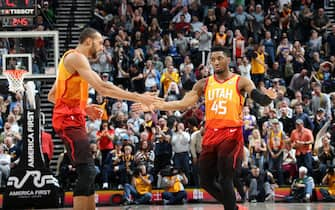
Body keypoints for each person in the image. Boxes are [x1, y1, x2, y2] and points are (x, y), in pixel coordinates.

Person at [133, 45, 276, 210]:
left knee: (225, 177)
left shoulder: (240, 81)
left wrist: (267, 99)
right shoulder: (204, 83)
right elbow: (182, 103)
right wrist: (157, 105)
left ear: (228, 60)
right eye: (212, 59)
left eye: (219, 58)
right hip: (210, 134)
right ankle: (234, 207)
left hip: (231, 133)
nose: (215, 62)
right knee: (205, 181)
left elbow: (259, 98)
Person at [47, 27, 159, 210]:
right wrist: (139, 97)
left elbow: (52, 95)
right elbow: (103, 87)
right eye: (100, 43)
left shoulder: (70, 61)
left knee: (90, 172)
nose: (102, 48)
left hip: (74, 119)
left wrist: (83, 108)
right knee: (88, 171)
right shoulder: (76, 57)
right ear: (89, 41)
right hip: (68, 122)